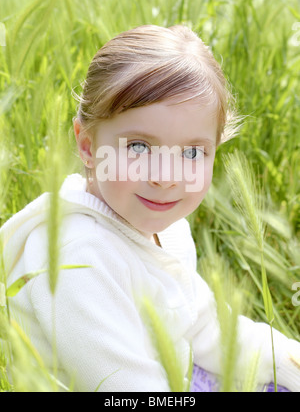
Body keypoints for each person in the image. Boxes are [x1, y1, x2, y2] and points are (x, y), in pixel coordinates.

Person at [1, 25, 299, 392]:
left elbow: (205, 328)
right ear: (88, 146)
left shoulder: (167, 226)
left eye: (192, 152)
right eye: (140, 147)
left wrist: (288, 361)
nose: (166, 177)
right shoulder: (76, 258)